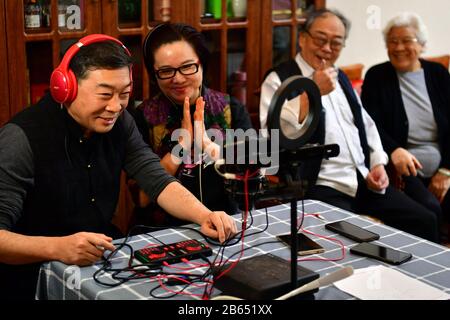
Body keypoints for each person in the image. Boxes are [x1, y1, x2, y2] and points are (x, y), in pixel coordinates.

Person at [0, 34, 237, 300]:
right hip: (31, 278)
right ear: (65, 87)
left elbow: (156, 179)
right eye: (104, 94)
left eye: (124, 94)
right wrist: (58, 247)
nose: (115, 107)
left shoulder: (121, 122)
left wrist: (203, 215)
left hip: (96, 264)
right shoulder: (20, 139)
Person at [259, 9, 440, 243]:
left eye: (336, 43)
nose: (327, 48)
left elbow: (366, 123)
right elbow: (271, 136)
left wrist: (377, 163)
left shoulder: (340, 76)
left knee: (424, 219)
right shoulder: (278, 78)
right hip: (319, 185)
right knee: (353, 241)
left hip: (363, 181)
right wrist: (312, 92)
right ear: (302, 38)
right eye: (320, 39)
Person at [130, 23, 253, 227]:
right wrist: (180, 149)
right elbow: (142, 198)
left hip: (226, 224)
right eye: (166, 71)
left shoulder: (230, 110)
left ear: (202, 63)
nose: (177, 79)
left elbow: (252, 181)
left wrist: (211, 148)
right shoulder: (142, 118)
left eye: (187, 66)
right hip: (161, 230)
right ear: (154, 74)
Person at [361, 12, 449, 240]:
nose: (398, 47)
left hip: (443, 167)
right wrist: (395, 150)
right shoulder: (377, 76)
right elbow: (371, 125)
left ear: (422, 45)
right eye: (392, 41)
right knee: (430, 210)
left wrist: (446, 170)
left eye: (406, 40)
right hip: (405, 170)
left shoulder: (438, 74)